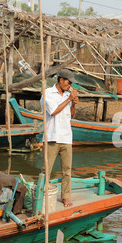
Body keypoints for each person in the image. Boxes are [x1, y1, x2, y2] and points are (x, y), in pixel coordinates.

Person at [40, 69, 79, 207]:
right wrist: (69, 99)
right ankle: (42, 195)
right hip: (52, 136)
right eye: (69, 82)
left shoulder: (67, 95)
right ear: (61, 80)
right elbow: (53, 111)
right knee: (46, 170)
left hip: (66, 137)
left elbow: (71, 115)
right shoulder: (48, 93)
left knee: (67, 170)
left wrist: (73, 103)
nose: (70, 85)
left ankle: (65, 197)